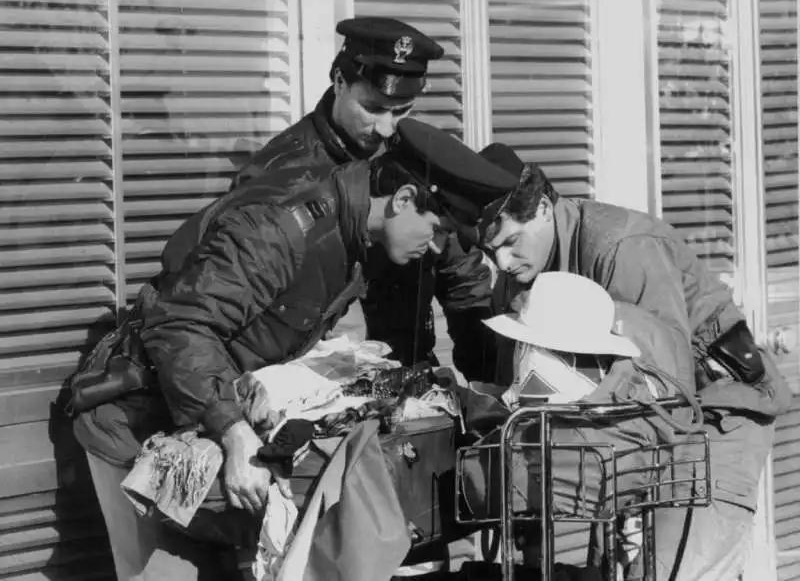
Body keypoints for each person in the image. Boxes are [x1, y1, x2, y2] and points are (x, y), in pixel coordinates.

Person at [72, 119, 518, 581]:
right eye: (439, 230)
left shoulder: (354, 234)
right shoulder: (283, 228)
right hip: (135, 423)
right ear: (402, 200)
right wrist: (233, 431)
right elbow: (180, 324)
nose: (438, 247)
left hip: (200, 427)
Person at [471, 143, 791, 579]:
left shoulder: (623, 247)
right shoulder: (519, 276)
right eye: (491, 253)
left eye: (510, 242)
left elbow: (667, 387)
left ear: (544, 208)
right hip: (631, 425)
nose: (502, 263)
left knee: (671, 572)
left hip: (716, 410)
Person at [230, 16, 498, 381]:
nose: (387, 127)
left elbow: (462, 277)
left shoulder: (414, 156)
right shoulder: (278, 177)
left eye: (401, 111)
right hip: (311, 391)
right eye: (373, 108)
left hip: (408, 377)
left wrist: (487, 384)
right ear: (340, 81)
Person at [463, 271, 704, 579]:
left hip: (565, 474)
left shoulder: (540, 356)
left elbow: (523, 402)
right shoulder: (625, 373)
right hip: (623, 472)